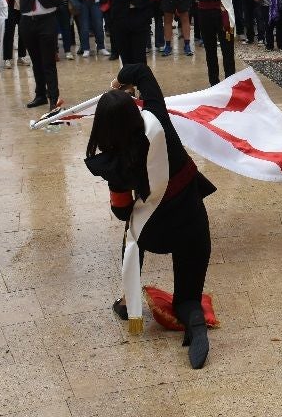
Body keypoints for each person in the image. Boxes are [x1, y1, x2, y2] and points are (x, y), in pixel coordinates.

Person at [85, 63, 215, 367]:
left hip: (154, 233)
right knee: (187, 300)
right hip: (193, 223)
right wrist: (119, 82)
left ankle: (127, 301)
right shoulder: (158, 118)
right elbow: (141, 71)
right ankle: (194, 320)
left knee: (133, 230)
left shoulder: (115, 163)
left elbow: (122, 212)